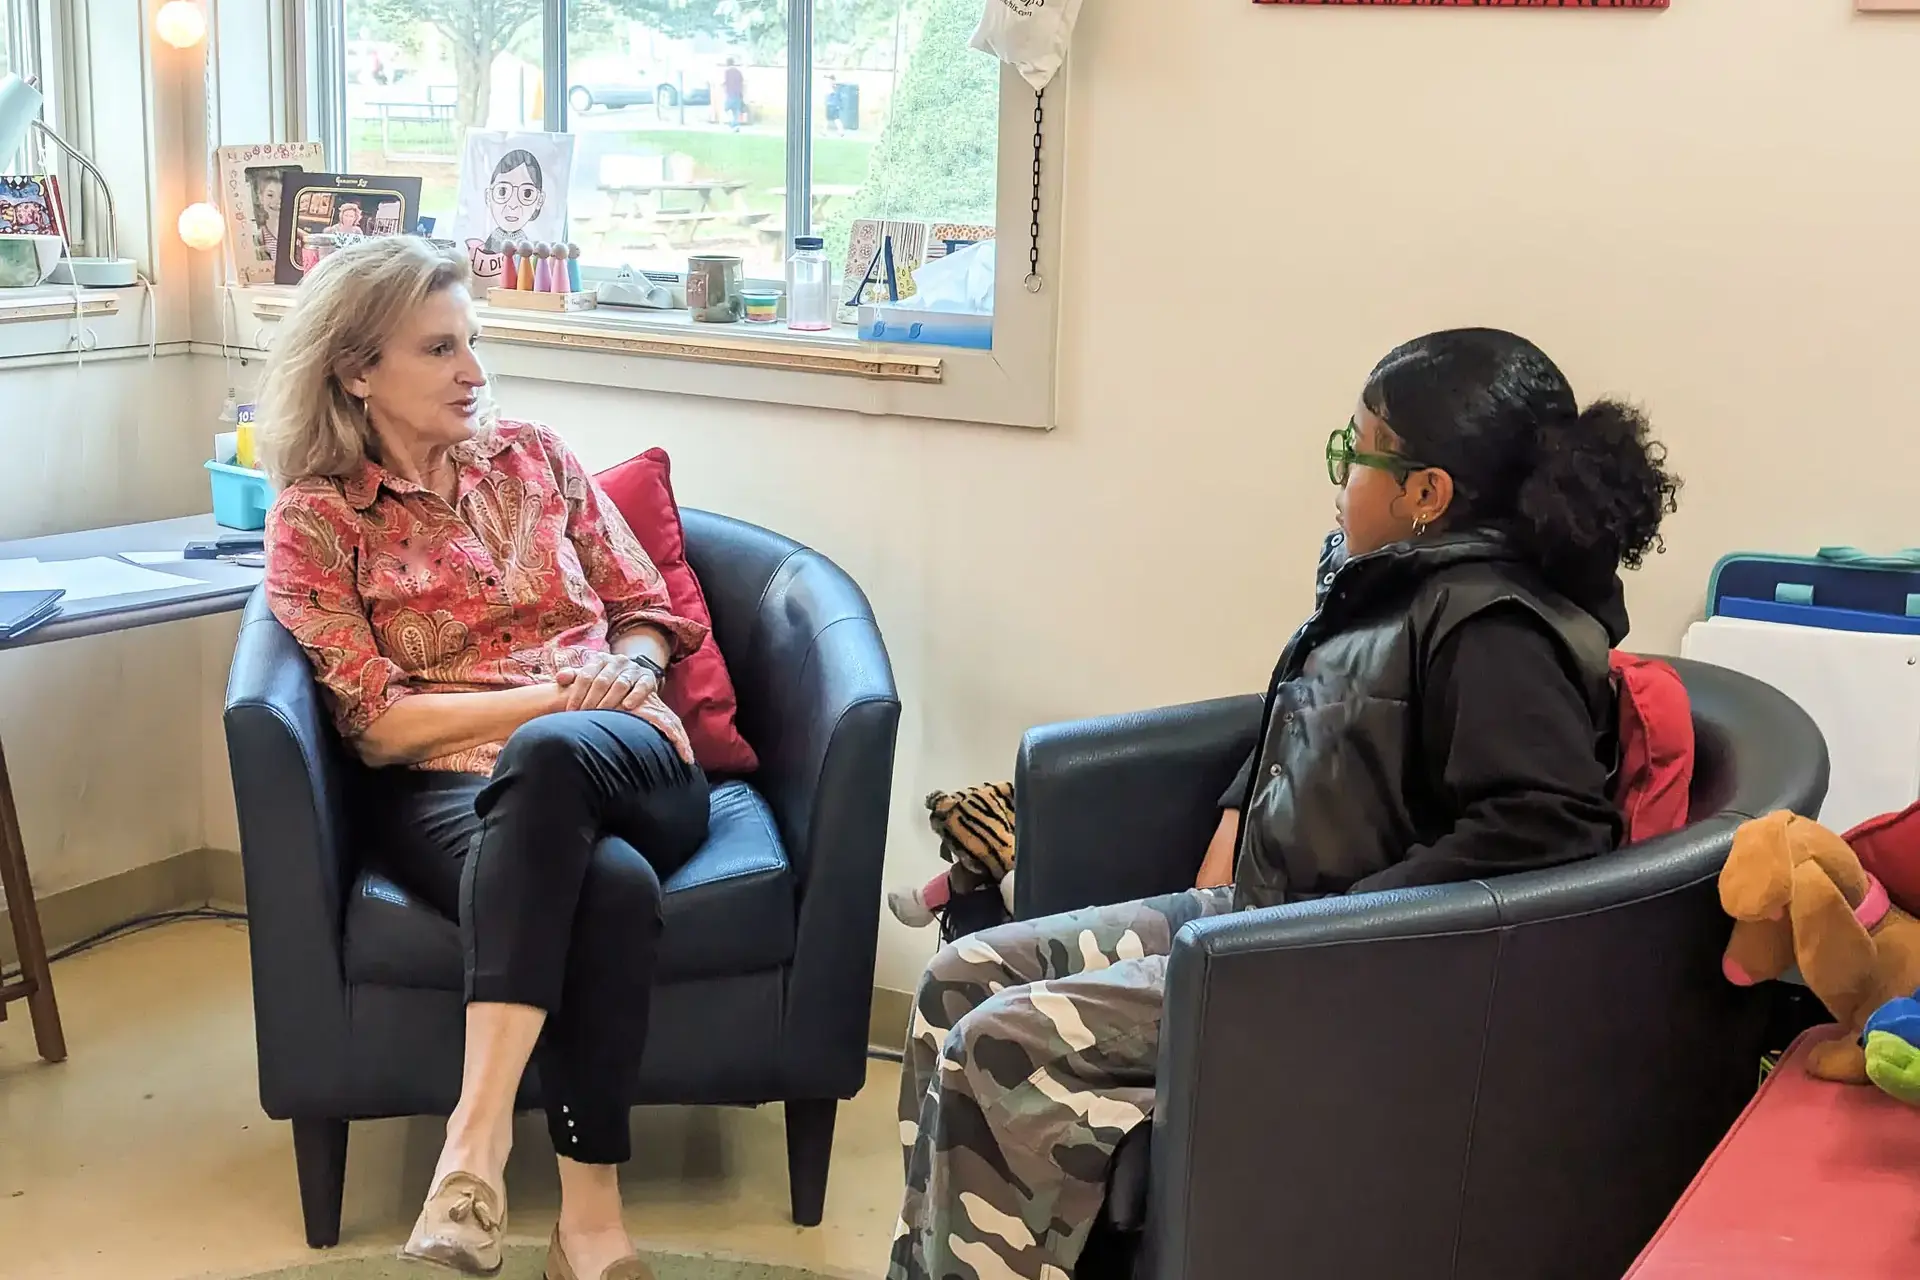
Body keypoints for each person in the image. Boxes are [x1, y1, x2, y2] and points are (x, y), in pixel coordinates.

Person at [888, 328, 1682, 1280]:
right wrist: (1236, 808)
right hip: (1267, 917)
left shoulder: (1494, 631)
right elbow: (1316, 713)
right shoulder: (1399, 585)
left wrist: (1330, 932)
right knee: (958, 980)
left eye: (1356, 453)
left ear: (1428, 493)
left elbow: (1546, 831)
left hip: (1323, 973)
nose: (1340, 477)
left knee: (998, 1044)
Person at [258, 235, 710, 1280]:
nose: (474, 371)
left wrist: (625, 673)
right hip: (447, 788)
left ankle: (477, 1139)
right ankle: (590, 1225)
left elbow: (645, 607)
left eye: (473, 344)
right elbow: (376, 723)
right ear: (356, 369)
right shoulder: (318, 521)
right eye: (438, 349)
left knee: (555, 754)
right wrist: (555, 693)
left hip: (629, 753)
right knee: (607, 883)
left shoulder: (536, 457)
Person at [722, 58, 746, 131]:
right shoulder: (738, 72)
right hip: (738, 94)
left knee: (726, 108)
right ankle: (736, 125)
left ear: (727, 63)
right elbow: (742, 82)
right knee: (736, 111)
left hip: (730, 93)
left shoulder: (727, 72)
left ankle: (732, 123)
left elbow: (725, 82)